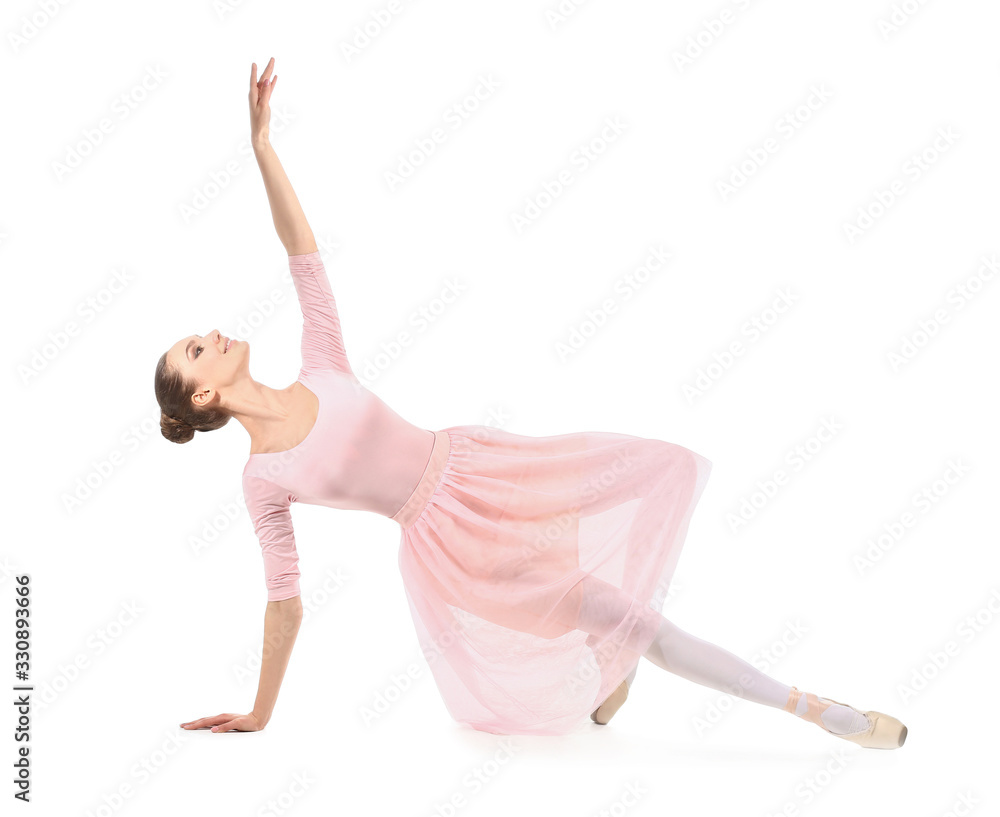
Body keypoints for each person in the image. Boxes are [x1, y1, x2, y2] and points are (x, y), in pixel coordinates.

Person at [160, 59, 906, 748]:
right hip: (456, 551)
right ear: (204, 393)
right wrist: (261, 710)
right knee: (631, 617)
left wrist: (263, 148)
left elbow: (303, 252)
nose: (212, 334)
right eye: (198, 348)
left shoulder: (320, 362)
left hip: (492, 470)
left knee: (654, 483)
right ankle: (819, 711)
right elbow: (284, 598)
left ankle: (617, 663)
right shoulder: (263, 478)